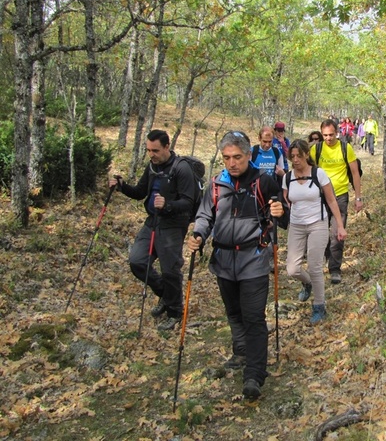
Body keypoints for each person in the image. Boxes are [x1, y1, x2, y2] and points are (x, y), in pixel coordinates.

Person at [186, 131, 288, 400]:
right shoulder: (217, 184)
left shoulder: (263, 182)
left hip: (254, 259)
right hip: (223, 260)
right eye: (227, 158)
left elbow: (283, 216)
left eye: (237, 157)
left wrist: (280, 211)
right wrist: (198, 235)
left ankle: (254, 374)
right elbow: (205, 215)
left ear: (248, 155)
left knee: (254, 317)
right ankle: (240, 352)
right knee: (233, 312)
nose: (232, 163)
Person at [109, 129, 196, 331]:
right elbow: (140, 192)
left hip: (173, 224)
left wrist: (168, 205)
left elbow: (189, 203)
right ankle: (166, 295)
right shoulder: (152, 167)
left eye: (155, 150)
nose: (151, 154)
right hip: (152, 222)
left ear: (167, 147)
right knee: (137, 261)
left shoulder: (181, 169)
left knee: (170, 270)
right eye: (148, 150)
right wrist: (122, 186)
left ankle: (175, 311)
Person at [283, 139, 346, 324]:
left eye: (298, 155)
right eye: (292, 156)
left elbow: (332, 200)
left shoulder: (318, 174)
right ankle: (308, 282)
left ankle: (319, 306)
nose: (295, 160)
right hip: (296, 225)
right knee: (292, 269)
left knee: (314, 266)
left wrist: (340, 226)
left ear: (306, 155)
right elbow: (288, 200)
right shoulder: (288, 177)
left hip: (318, 223)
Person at [310, 119, 363, 285]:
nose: (328, 138)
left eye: (331, 135)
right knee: (321, 232)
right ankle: (325, 259)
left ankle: (335, 269)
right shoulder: (316, 149)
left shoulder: (345, 148)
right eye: (325, 135)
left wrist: (358, 197)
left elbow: (355, 173)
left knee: (337, 234)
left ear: (337, 133)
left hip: (340, 195)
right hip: (319, 196)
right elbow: (306, 170)